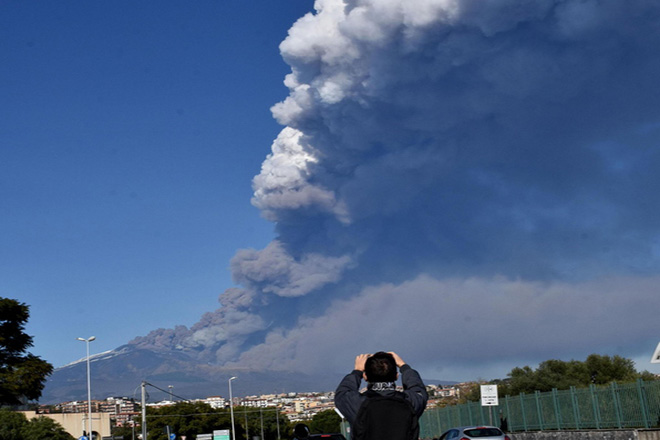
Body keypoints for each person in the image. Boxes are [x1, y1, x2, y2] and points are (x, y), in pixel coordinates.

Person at [334, 352, 428, 440]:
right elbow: (417, 388)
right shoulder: (410, 402)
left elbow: (343, 392)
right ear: (396, 376)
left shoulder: (358, 404)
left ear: (365, 376)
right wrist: (404, 366)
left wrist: (357, 371)